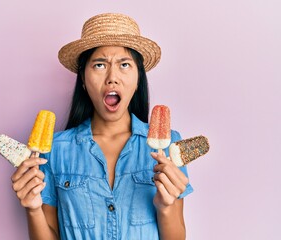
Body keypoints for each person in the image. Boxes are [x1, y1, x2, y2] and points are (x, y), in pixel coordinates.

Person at [11, 13, 193, 240]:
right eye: (99, 65)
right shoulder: (53, 151)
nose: (112, 78)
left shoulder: (169, 148)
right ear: (84, 80)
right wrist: (33, 208)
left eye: (124, 65)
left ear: (138, 80)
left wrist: (166, 206)